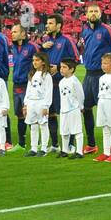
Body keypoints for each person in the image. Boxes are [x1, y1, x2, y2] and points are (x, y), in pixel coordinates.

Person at [79, 3, 111, 156]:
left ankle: (110, 147)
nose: (93, 14)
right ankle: (91, 144)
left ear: (101, 13)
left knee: (106, 110)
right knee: (86, 108)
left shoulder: (108, 30)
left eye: (96, 11)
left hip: (102, 75)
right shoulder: (85, 31)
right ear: (86, 14)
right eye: (90, 11)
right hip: (89, 74)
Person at [39, 13, 80, 152]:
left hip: (63, 84)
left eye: (50, 23)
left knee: (66, 113)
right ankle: (55, 144)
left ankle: (71, 144)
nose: (47, 25)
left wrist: (58, 67)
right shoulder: (46, 41)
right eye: (47, 23)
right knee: (50, 114)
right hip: (48, 84)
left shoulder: (66, 40)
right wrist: (43, 48)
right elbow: (38, 59)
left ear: (58, 25)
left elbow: (75, 59)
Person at [9, 23, 38, 151]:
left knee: (30, 114)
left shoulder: (32, 47)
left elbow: (41, 62)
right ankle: (21, 144)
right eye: (12, 32)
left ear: (22, 33)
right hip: (16, 84)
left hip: (28, 85)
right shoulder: (13, 48)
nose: (12, 34)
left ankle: (35, 144)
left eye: (15, 32)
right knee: (19, 114)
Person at [23, 54, 52, 156]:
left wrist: (46, 106)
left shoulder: (46, 76)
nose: (34, 62)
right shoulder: (32, 74)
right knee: (33, 125)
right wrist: (26, 104)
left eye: (37, 60)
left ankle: (44, 148)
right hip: (31, 102)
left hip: (41, 102)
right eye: (33, 60)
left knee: (43, 125)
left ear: (43, 62)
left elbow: (49, 91)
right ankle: (33, 148)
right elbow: (28, 90)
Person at [57, 60, 85, 159]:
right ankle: (64, 150)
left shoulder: (74, 81)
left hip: (74, 109)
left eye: (64, 67)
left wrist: (80, 106)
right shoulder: (61, 82)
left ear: (71, 69)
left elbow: (80, 95)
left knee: (77, 130)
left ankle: (79, 152)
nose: (61, 69)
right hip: (64, 109)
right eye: (61, 67)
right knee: (64, 131)